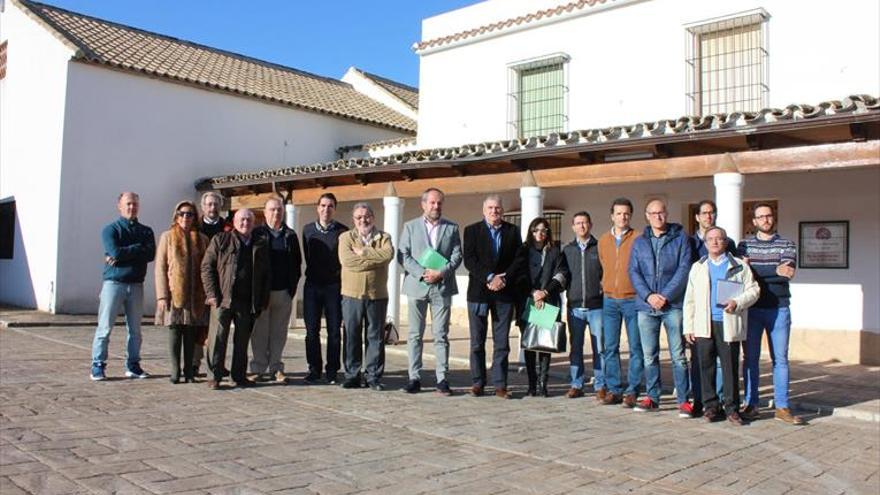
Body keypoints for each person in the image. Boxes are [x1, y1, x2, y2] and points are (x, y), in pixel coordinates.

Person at [683, 227, 760, 425]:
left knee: (730, 368)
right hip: (704, 325)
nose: (715, 242)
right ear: (705, 243)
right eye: (711, 239)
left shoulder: (739, 265)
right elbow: (689, 299)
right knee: (705, 367)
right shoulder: (698, 267)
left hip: (727, 323)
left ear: (725, 242)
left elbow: (754, 290)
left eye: (719, 239)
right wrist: (688, 327)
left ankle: (732, 408)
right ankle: (710, 407)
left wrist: (738, 302)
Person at [738, 203, 804, 425]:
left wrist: (755, 270)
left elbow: (786, 273)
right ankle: (751, 404)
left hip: (779, 308)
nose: (765, 219)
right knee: (750, 359)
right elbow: (742, 273)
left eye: (768, 216)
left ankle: (782, 407)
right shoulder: (744, 246)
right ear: (754, 221)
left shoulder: (788, 243)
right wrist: (773, 270)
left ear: (773, 218)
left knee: (781, 359)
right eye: (760, 217)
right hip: (752, 308)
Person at [628, 199, 693, 415]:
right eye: (653, 213)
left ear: (667, 213)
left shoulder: (680, 238)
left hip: (672, 305)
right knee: (649, 355)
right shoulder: (639, 242)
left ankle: (683, 399)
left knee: (678, 355)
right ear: (646, 215)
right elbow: (634, 272)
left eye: (661, 212)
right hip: (646, 307)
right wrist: (648, 296)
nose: (658, 216)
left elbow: (684, 270)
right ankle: (652, 397)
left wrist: (664, 295)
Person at [398, 188, 462, 396]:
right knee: (415, 335)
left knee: (441, 335)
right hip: (417, 286)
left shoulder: (452, 228)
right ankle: (414, 377)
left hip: (441, 287)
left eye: (439, 203)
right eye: (432, 203)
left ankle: (442, 378)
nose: (436, 206)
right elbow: (403, 255)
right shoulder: (409, 227)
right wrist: (422, 273)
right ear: (423, 204)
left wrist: (440, 273)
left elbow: (456, 256)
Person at [200, 209, 270, 389]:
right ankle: (214, 376)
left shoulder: (260, 244)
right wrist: (212, 294)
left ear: (253, 223)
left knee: (242, 341)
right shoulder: (221, 240)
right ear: (234, 222)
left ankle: (238, 376)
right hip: (223, 298)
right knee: (217, 338)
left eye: (249, 220)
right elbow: (207, 268)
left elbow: (266, 275)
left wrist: (262, 300)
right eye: (242, 219)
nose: (245, 223)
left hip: (247, 301)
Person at [90, 192, 155, 381]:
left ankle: (133, 365)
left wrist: (123, 254)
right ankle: (98, 365)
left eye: (135, 204)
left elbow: (150, 254)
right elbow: (114, 252)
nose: (131, 207)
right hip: (114, 284)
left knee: (135, 330)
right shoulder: (110, 230)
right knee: (104, 328)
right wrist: (137, 249)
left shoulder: (146, 231)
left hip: (136, 285)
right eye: (128, 204)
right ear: (119, 205)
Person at [463, 195, 523, 399]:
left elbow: (519, 259)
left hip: (504, 294)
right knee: (477, 342)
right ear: (483, 210)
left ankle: (500, 384)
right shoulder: (471, 231)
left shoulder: (512, 231)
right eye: (490, 208)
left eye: (497, 208)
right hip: (479, 293)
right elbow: (470, 260)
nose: (494, 211)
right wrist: (489, 277)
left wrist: (503, 279)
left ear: (502, 210)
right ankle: (478, 382)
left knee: (502, 342)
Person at [338, 203, 394, 391]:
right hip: (351, 295)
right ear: (354, 220)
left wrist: (364, 252)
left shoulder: (384, 237)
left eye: (367, 216)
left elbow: (388, 255)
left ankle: (373, 376)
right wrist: (374, 260)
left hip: (377, 295)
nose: (363, 220)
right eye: (359, 217)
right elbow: (348, 261)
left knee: (375, 337)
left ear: (373, 217)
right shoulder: (345, 237)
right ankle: (352, 375)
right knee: (351, 334)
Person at [688, 200, 736, 412]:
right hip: (701, 313)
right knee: (702, 362)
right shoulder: (689, 244)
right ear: (697, 217)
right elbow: (688, 285)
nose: (708, 216)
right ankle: (704, 402)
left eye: (711, 213)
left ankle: (727, 404)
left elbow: (741, 281)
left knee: (726, 364)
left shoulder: (730, 247)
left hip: (725, 314)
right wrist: (689, 322)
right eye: (704, 213)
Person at [154, 201, 209, 384]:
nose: (186, 217)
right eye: (182, 214)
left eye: (190, 214)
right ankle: (175, 369)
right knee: (175, 330)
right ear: (176, 216)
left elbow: (207, 268)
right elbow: (160, 267)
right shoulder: (167, 237)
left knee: (191, 332)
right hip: (174, 292)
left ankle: (189, 370)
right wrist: (162, 295)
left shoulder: (202, 239)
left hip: (196, 294)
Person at [250, 198, 301, 383]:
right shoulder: (257, 234)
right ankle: (258, 367)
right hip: (262, 292)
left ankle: (276, 367)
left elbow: (297, 264)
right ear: (264, 212)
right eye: (272, 210)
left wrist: (291, 288)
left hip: (283, 292)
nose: (276, 213)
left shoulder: (290, 235)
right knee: (260, 332)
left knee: (279, 333)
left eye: (279, 210)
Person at [598, 198, 643, 407]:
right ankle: (614, 389)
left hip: (632, 299)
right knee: (610, 347)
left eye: (626, 213)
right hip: (609, 300)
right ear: (612, 216)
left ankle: (633, 390)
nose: (622, 217)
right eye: (618, 213)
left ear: (630, 216)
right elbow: (604, 266)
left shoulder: (638, 238)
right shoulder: (603, 240)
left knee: (636, 346)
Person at [515, 217, 567, 397]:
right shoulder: (523, 250)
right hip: (528, 302)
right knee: (530, 344)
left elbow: (561, 274)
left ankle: (543, 383)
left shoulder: (555, 251)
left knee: (545, 345)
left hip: (548, 302)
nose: (540, 233)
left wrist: (544, 293)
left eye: (544, 230)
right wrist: (533, 293)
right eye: (536, 230)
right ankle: (531, 384)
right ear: (531, 232)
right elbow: (519, 275)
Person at [302, 193, 348, 384]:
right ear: (317, 207)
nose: (326, 209)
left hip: (333, 287)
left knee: (334, 331)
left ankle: (332, 370)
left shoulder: (343, 231)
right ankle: (314, 369)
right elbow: (307, 255)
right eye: (322, 205)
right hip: (312, 286)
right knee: (311, 330)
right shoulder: (307, 230)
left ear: (334, 209)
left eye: (330, 206)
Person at [561, 211, 604, 399]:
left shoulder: (600, 248)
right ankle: (576, 384)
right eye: (578, 223)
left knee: (600, 347)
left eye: (585, 222)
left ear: (591, 224)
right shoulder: (568, 250)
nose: (581, 226)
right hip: (575, 307)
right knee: (576, 347)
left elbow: (606, 274)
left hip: (597, 307)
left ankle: (601, 384)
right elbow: (562, 275)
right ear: (573, 227)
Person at [195, 191, 231, 378]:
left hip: (222, 284)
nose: (212, 208)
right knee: (198, 326)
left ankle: (218, 364)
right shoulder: (195, 227)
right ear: (203, 207)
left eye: (216, 204)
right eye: (209, 204)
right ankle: (194, 364)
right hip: (197, 285)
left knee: (220, 328)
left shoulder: (227, 228)